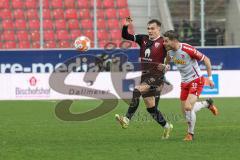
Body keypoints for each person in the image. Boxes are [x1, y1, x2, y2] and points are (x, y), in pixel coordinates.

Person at [115, 17, 173, 139]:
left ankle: (126, 119)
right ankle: (167, 126)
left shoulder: (164, 41)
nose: (150, 31)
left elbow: (171, 55)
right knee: (151, 108)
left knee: (137, 90)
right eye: (148, 28)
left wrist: (167, 65)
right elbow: (126, 35)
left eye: (152, 28)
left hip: (157, 76)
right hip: (145, 75)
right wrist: (126, 25)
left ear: (158, 29)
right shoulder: (143, 39)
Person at [163, 30, 219, 141]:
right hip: (184, 83)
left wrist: (210, 78)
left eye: (166, 41)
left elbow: (206, 59)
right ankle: (206, 104)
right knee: (185, 111)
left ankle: (190, 134)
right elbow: (167, 61)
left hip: (196, 80)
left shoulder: (187, 49)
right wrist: (165, 69)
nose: (164, 43)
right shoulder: (169, 52)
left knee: (188, 107)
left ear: (174, 41)